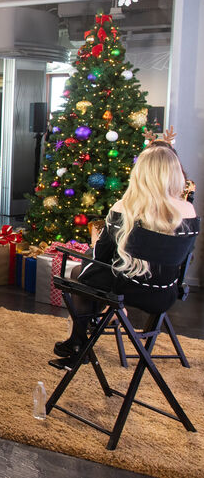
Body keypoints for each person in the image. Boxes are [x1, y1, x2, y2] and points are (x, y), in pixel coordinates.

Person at [51, 146, 199, 366]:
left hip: (125, 289)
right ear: (174, 174)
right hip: (164, 294)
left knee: (80, 271)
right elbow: (185, 255)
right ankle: (86, 329)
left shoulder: (125, 208)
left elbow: (101, 256)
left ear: (140, 174)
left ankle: (79, 339)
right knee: (91, 272)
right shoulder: (188, 211)